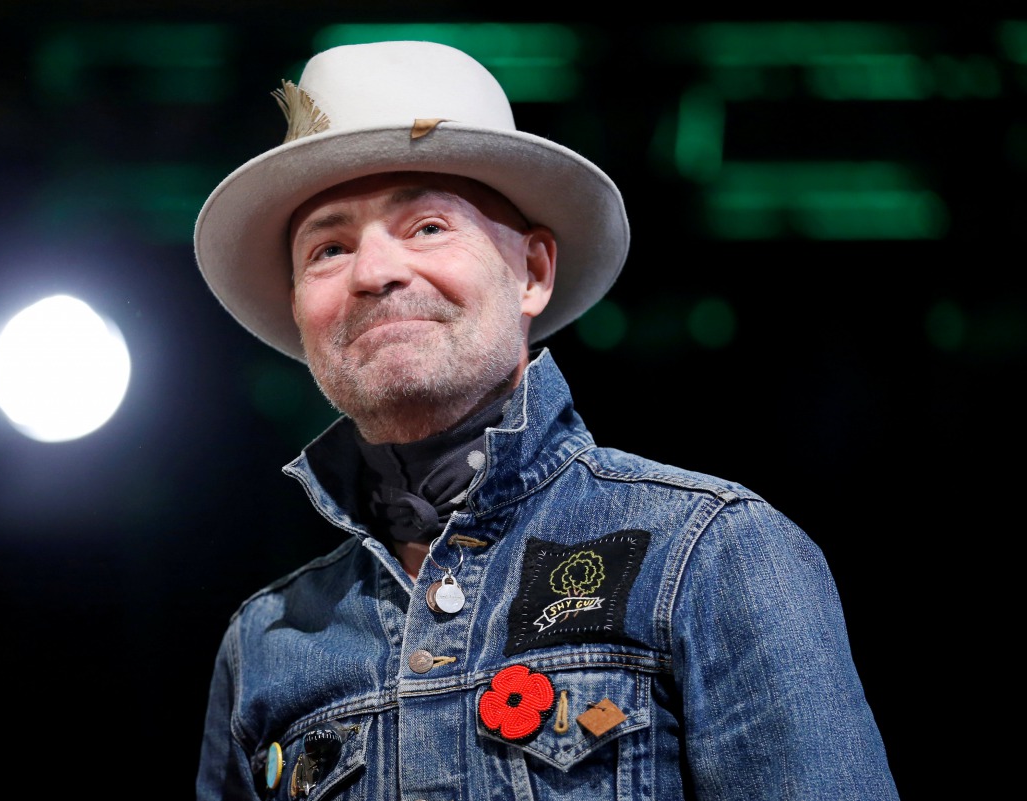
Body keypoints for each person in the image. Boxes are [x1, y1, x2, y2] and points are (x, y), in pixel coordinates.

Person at [192, 40, 899, 800]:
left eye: (428, 227)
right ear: (302, 312)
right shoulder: (263, 643)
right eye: (328, 249)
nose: (375, 272)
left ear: (532, 272)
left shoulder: (711, 553)